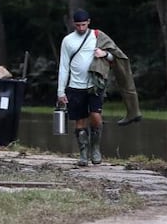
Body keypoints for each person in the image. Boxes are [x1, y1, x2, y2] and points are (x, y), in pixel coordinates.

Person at [57, 9, 140, 166]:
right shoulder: (67, 41)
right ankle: (83, 154)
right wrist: (60, 90)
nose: (81, 28)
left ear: (89, 22)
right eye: (78, 25)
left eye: (83, 24)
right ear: (73, 24)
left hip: (95, 84)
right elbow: (63, 66)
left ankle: (95, 149)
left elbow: (117, 57)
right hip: (74, 86)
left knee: (95, 115)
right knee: (79, 120)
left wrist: (104, 54)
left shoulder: (98, 36)